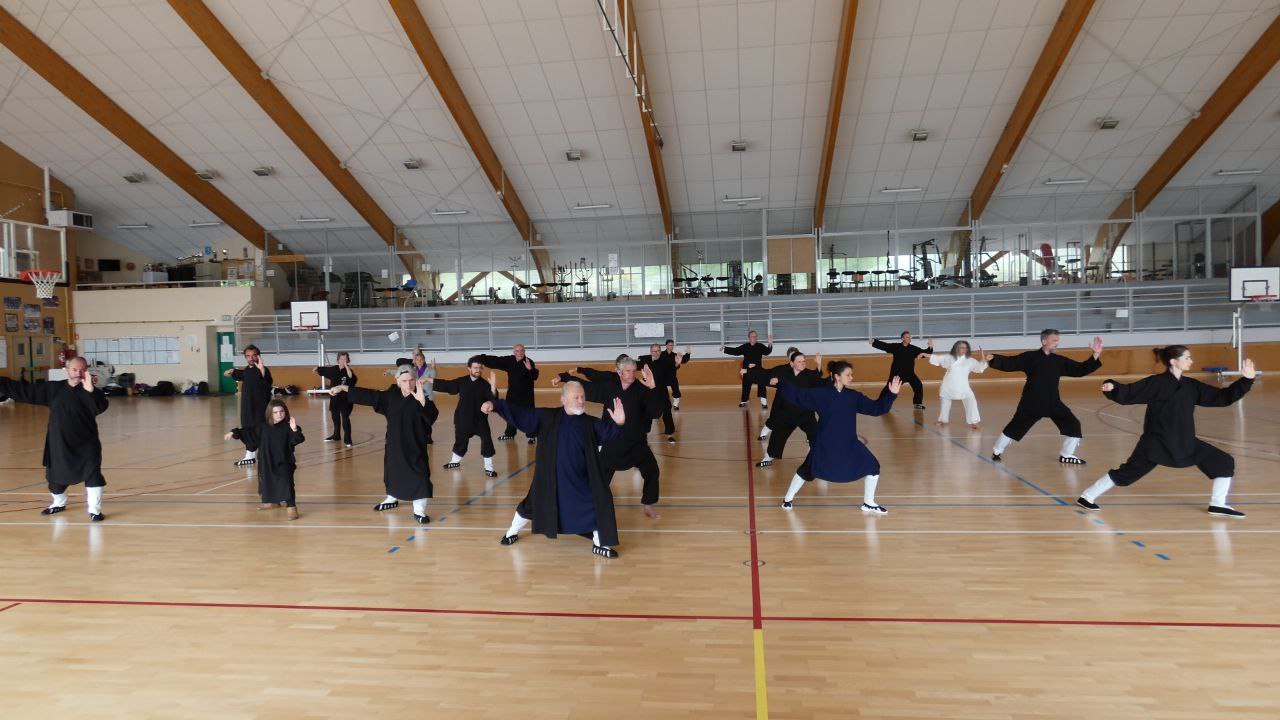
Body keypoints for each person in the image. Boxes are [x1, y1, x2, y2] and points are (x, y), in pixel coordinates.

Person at [1077, 348, 1255, 518]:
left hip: (1185, 442)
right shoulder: (1156, 383)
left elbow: (1222, 397)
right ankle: (1087, 496)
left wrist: (1246, 380)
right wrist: (1113, 387)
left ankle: (1217, 504)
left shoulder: (1191, 385)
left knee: (1223, 462)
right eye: (1187, 358)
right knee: (1127, 473)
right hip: (1156, 443)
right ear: (1173, 361)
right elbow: (1129, 392)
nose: (1191, 361)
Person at [483, 382, 626, 558]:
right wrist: (496, 405)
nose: (581, 401)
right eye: (576, 397)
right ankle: (511, 532)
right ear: (563, 400)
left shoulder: (590, 423)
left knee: (596, 505)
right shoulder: (547, 417)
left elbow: (609, 433)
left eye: (582, 397)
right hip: (549, 480)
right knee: (529, 507)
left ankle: (600, 544)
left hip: (579, 481)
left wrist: (619, 423)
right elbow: (521, 414)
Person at [775, 360, 901, 514]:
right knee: (806, 470)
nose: (851, 377)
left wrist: (891, 394)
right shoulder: (821, 394)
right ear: (837, 376)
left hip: (849, 444)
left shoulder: (853, 396)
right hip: (825, 445)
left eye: (851, 375)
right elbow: (798, 395)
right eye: (848, 375)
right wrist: (781, 383)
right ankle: (787, 499)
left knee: (873, 467)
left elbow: (876, 409)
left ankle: (868, 503)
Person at [0, 357, 109, 521]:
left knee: (93, 475)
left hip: (86, 444)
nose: (78, 373)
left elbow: (100, 407)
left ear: (86, 371)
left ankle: (95, 511)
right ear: (67, 370)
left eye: (82, 370)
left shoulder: (92, 391)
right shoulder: (54, 388)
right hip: (59, 443)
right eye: (74, 369)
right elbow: (26, 391)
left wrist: (90, 391)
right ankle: (58, 503)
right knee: (55, 480)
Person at [554, 357, 665, 519]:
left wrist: (653, 387)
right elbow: (586, 387)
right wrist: (564, 377)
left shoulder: (642, 389)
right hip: (612, 442)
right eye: (628, 371)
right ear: (619, 372)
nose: (632, 374)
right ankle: (588, 506)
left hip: (636, 443)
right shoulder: (609, 387)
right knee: (599, 479)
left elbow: (656, 413)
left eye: (634, 371)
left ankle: (648, 504)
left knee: (652, 471)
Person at [331, 365, 438, 524]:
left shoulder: (421, 396)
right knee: (393, 473)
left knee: (420, 476)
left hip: (415, 444)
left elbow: (432, 417)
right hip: (394, 443)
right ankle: (392, 498)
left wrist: (422, 401)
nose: (408, 384)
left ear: (416, 380)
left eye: (411, 380)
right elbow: (369, 395)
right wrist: (343, 387)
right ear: (397, 380)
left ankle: (419, 511)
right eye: (404, 381)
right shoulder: (391, 396)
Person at [986, 330, 1103, 465]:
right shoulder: (1030, 357)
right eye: (1054, 340)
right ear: (1044, 341)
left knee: (1073, 424)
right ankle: (997, 451)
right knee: (1015, 427)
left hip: (1053, 403)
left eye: (1058, 340)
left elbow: (1080, 369)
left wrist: (1096, 354)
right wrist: (993, 358)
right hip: (1031, 403)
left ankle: (1066, 455)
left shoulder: (1059, 361)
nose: (1057, 343)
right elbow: (1010, 363)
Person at [225, 399, 305, 520]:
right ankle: (273, 502)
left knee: (286, 483)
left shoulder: (288, 426)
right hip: (266, 461)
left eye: (282, 411)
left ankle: (291, 507)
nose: (279, 414)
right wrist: (233, 433)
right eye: (275, 412)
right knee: (267, 482)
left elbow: (298, 439)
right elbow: (249, 433)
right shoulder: (263, 427)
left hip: (284, 461)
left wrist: (294, 429)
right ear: (270, 414)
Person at [756, 348, 824, 468]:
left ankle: (818, 457)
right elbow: (773, 377)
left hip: (805, 413)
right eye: (799, 361)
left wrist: (818, 364)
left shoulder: (808, 374)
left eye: (804, 361)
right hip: (787, 414)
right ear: (792, 363)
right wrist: (772, 379)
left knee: (815, 433)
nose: (802, 363)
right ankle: (769, 456)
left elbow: (817, 378)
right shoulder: (784, 373)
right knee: (777, 434)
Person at [434, 356, 499, 477]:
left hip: (480, 420)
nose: (478, 370)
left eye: (480, 368)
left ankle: (489, 468)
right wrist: (429, 380)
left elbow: (493, 399)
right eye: (475, 368)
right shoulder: (462, 381)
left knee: (487, 440)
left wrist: (493, 387)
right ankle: (454, 461)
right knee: (460, 441)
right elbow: (448, 385)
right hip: (462, 419)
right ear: (469, 368)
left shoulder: (485, 385)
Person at [477, 344, 540, 444]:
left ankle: (531, 436)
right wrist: (481, 358)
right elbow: (496, 361)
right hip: (512, 394)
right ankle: (510, 434)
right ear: (514, 352)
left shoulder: (529, 362)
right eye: (517, 351)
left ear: (524, 351)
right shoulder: (510, 360)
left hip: (526, 395)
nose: (519, 353)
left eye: (522, 351)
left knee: (529, 415)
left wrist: (530, 369)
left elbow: (534, 376)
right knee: (510, 413)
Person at [224, 344, 272, 466]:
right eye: (248, 356)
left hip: (261, 407)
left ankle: (267, 454)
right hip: (247, 407)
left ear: (258, 356)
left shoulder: (264, 370)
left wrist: (262, 370)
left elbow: (267, 382)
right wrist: (232, 372)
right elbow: (241, 374)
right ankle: (249, 456)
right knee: (248, 428)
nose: (251, 358)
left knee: (261, 429)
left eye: (254, 355)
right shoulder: (247, 371)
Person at [929, 340, 988, 429]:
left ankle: (974, 421)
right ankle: (942, 420)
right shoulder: (949, 358)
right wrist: (926, 354)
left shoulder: (970, 361)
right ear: (957, 348)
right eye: (962, 348)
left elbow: (980, 367)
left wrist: (982, 355)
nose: (964, 349)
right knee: (945, 402)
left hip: (963, 387)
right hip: (948, 385)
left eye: (966, 348)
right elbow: (938, 359)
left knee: (971, 400)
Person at [870, 331, 933, 409]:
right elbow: (885, 346)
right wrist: (875, 342)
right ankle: (879, 402)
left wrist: (930, 347)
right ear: (902, 339)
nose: (909, 339)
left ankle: (917, 403)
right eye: (907, 337)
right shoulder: (896, 347)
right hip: (897, 375)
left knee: (918, 385)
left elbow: (924, 353)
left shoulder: (913, 348)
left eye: (910, 337)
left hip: (910, 374)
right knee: (888, 388)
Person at [636, 343, 678, 442]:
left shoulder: (665, 361)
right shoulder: (645, 360)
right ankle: (645, 433)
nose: (656, 353)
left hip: (662, 391)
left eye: (658, 350)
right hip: (648, 392)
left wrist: (676, 364)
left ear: (660, 351)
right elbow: (634, 366)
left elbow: (672, 372)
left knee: (667, 412)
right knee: (647, 412)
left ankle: (670, 434)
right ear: (650, 351)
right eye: (654, 351)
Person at [315, 351, 357, 447]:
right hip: (335, 398)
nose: (343, 360)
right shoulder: (334, 369)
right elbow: (324, 370)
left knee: (345, 419)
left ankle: (348, 440)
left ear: (348, 360)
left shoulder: (349, 370)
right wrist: (317, 368)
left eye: (345, 359)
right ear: (338, 360)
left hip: (346, 399)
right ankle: (336, 435)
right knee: (335, 417)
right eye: (341, 359)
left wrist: (346, 366)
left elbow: (351, 377)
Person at [722, 330, 774, 408]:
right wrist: (725, 349)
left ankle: (764, 403)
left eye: (756, 336)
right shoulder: (745, 346)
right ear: (749, 338)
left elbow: (767, 352)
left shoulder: (760, 346)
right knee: (746, 384)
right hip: (747, 370)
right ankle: (744, 401)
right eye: (752, 336)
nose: (754, 338)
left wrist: (770, 343)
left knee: (762, 383)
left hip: (758, 370)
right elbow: (736, 351)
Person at [662, 339, 691, 410]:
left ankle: (676, 404)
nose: (671, 347)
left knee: (676, 390)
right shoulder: (661, 355)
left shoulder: (675, 355)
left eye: (672, 345)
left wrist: (688, 353)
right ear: (666, 346)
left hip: (672, 376)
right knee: (660, 391)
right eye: (670, 345)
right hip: (662, 376)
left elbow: (684, 360)